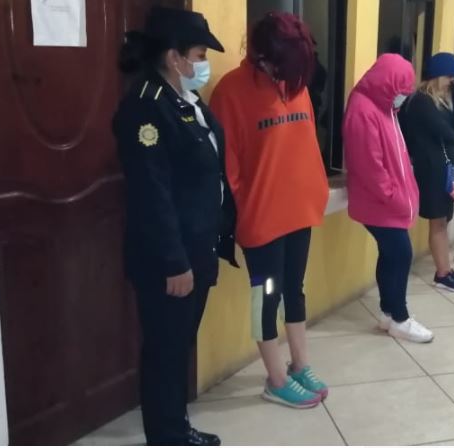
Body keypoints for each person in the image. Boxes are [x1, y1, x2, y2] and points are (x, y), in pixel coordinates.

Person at [112, 7, 237, 446]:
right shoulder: (147, 108)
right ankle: (167, 436)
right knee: (166, 351)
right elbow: (152, 195)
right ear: (174, 57)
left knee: (178, 345)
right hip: (170, 260)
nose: (204, 64)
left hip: (196, 248)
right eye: (200, 55)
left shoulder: (186, 101)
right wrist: (174, 262)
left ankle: (176, 428)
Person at [210, 12, 329, 409]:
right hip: (262, 220)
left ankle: (300, 364)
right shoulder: (231, 92)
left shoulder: (295, 83)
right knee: (267, 295)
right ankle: (276, 379)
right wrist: (244, 209)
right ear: (262, 56)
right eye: (284, 68)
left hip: (300, 212)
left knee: (294, 289)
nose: (289, 77)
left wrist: (316, 191)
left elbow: (305, 145)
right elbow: (227, 167)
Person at [343, 54, 434, 343]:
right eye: (401, 91)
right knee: (401, 253)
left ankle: (388, 313)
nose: (403, 98)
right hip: (379, 202)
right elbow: (369, 165)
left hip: (387, 201)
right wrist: (394, 196)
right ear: (387, 83)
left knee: (391, 254)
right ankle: (400, 318)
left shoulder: (385, 107)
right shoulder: (362, 109)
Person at [399, 52, 454, 293]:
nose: (453, 81)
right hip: (431, 170)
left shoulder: (443, 100)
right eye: (450, 77)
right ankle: (442, 273)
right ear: (438, 75)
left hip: (444, 168)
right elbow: (449, 133)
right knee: (438, 221)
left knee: (443, 220)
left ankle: (445, 270)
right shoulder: (421, 101)